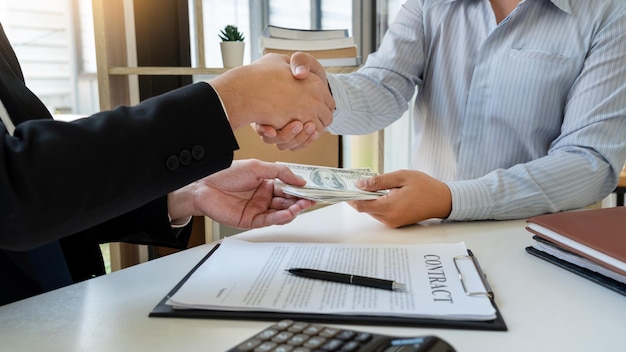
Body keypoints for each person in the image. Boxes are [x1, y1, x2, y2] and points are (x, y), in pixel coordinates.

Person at [0, 23, 334, 305]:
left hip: (56, 315)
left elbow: (44, 195)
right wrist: (234, 98)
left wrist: (188, 192)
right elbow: (12, 191)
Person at [259, 0, 626, 228]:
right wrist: (320, 94)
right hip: (427, 231)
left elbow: (589, 164)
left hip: (537, 242)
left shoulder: (609, 12)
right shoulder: (429, 4)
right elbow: (383, 87)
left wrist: (454, 199)